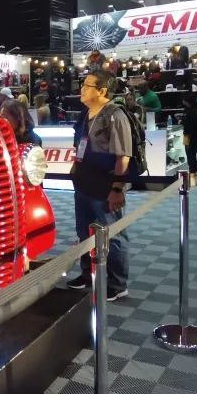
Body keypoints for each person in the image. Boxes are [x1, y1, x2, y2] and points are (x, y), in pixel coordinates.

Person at [66, 70, 131, 300]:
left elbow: (123, 157)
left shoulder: (115, 115)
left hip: (105, 186)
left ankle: (117, 283)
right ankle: (88, 274)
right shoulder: (86, 114)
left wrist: (117, 189)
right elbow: (81, 145)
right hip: (83, 183)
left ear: (102, 91)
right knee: (84, 231)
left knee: (112, 234)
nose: (82, 89)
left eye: (87, 85)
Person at [182, 97, 197, 184]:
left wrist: (183, 121)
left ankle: (192, 177)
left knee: (190, 155)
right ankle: (193, 175)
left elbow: (191, 124)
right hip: (190, 135)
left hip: (190, 135)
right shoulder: (194, 109)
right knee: (191, 155)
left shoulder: (192, 111)